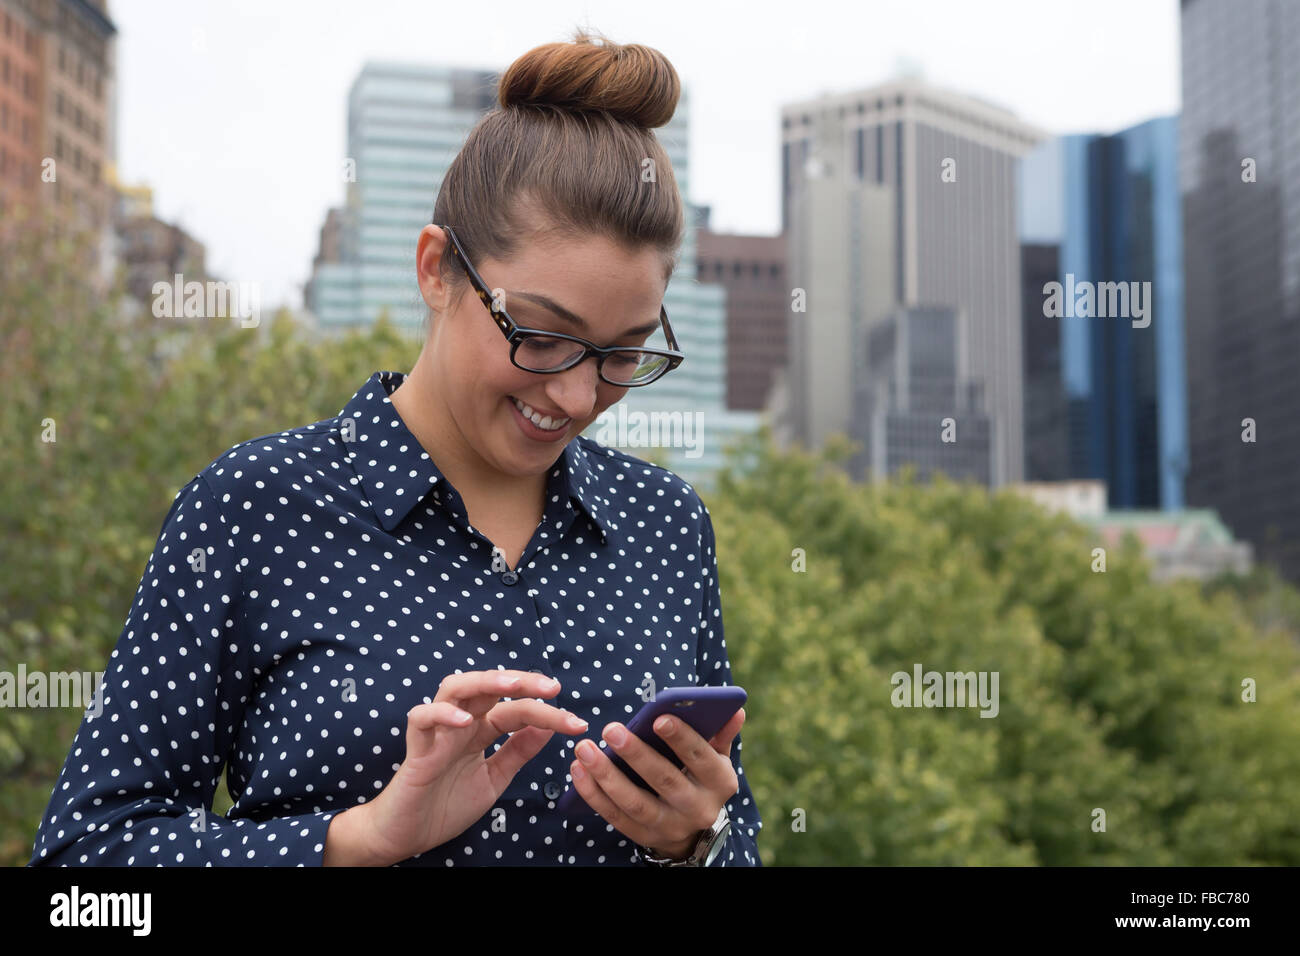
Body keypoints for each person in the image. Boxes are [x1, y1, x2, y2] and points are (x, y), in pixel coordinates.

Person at [28, 27, 762, 867]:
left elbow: (738, 838)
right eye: (541, 335)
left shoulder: (666, 525)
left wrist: (699, 844)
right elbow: (83, 871)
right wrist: (360, 838)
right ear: (437, 268)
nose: (574, 394)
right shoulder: (253, 507)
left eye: (622, 353)